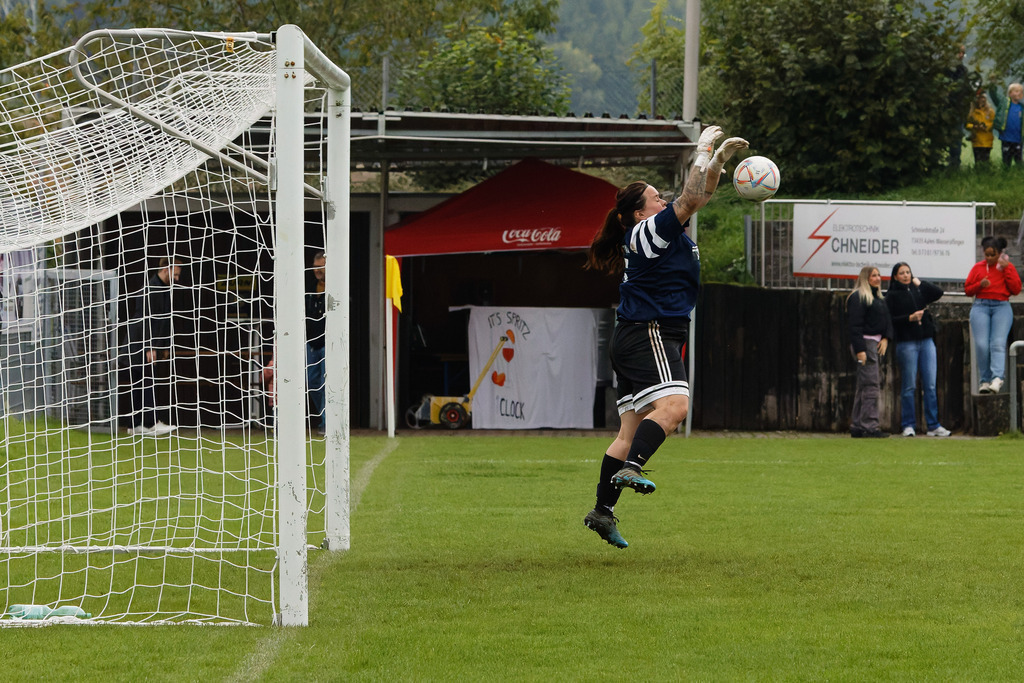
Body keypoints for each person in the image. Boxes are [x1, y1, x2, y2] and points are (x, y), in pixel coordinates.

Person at [580, 125, 748, 549]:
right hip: (648, 332)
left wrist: (718, 164)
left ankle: (602, 511)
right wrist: (704, 149)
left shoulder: (662, 229)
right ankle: (633, 468)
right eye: (656, 197)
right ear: (640, 213)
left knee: (628, 429)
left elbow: (700, 195)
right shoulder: (647, 233)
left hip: (642, 333)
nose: (664, 200)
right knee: (675, 406)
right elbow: (691, 197)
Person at [885, 263, 950, 437]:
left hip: (926, 341)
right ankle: (908, 424)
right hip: (907, 343)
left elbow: (937, 293)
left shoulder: (918, 290)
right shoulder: (891, 295)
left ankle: (933, 425)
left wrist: (918, 282)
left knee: (930, 384)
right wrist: (909, 318)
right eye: (902, 273)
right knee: (909, 385)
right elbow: (890, 319)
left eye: (908, 272)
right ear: (895, 276)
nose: (906, 275)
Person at [128, 257, 181, 435]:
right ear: (166, 269)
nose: (177, 279)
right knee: (145, 381)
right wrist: (150, 347)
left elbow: (163, 321)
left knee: (143, 382)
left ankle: (138, 424)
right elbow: (145, 319)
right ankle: (148, 423)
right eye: (175, 274)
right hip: (139, 345)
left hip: (146, 345)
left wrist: (164, 345)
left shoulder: (164, 289)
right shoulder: (151, 289)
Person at [965, 236, 1021, 394]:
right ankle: (985, 380)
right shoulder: (978, 268)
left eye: (993, 255)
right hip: (981, 305)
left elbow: (1016, 289)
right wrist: (979, 285)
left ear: (999, 253)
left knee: (997, 342)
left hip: (1001, 306)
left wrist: (1008, 268)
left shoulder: (1006, 267)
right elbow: (968, 290)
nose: (989, 258)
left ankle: (997, 378)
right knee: (982, 345)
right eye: (987, 254)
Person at [847, 266, 893, 438]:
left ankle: (858, 425)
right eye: (874, 275)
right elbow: (855, 326)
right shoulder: (858, 297)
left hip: (874, 343)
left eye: (879, 275)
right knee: (872, 386)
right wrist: (860, 349)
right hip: (866, 344)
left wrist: (886, 338)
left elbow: (887, 320)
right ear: (865, 278)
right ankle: (870, 426)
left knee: (863, 386)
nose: (878, 278)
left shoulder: (879, 298)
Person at [305, 251, 327, 432]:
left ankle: (327, 423)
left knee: (327, 382)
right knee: (312, 383)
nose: (318, 271)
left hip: (328, 343)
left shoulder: (336, 288)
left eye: (322, 267)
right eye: (316, 267)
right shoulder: (309, 287)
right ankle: (324, 416)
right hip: (311, 343)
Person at [947, 45, 971, 169]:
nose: (961, 55)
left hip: (958, 109)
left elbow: (966, 90)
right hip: (943, 107)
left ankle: (954, 165)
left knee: (956, 138)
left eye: (963, 52)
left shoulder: (963, 71)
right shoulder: (944, 69)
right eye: (959, 52)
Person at [989, 82, 1024, 167]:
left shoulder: (1022, 107)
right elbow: (993, 95)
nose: (1019, 93)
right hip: (1006, 138)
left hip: (1018, 139)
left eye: (1021, 92)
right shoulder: (1003, 103)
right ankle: (1005, 176)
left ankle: (1019, 177)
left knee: (1019, 161)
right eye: (1016, 91)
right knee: (1006, 161)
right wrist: (992, 83)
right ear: (1010, 93)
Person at [966, 90, 996, 166]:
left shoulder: (990, 111)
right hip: (977, 141)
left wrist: (985, 126)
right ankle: (979, 175)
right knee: (978, 161)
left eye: (983, 98)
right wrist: (975, 126)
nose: (982, 100)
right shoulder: (972, 112)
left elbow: (994, 123)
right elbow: (967, 124)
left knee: (986, 161)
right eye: (980, 98)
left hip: (987, 141)